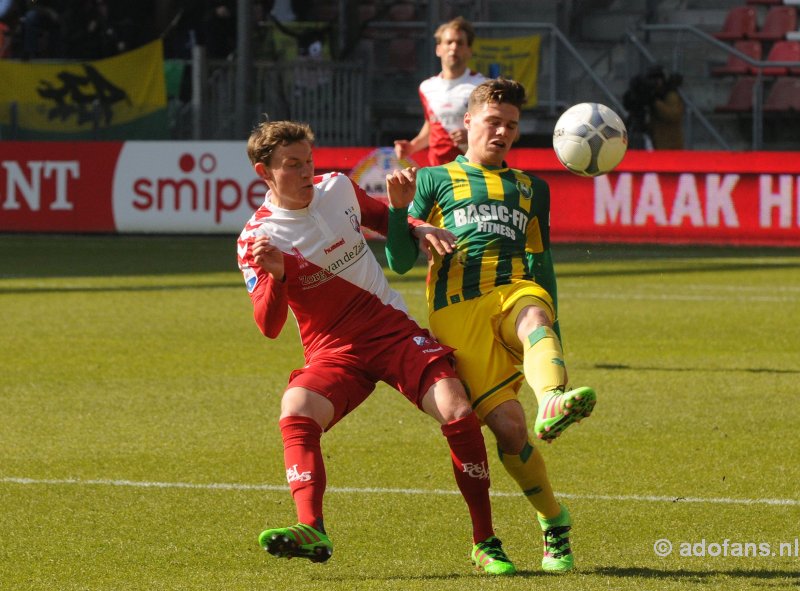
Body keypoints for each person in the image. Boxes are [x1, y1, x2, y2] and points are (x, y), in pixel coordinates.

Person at [236, 120, 516, 575]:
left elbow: (384, 218)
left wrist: (420, 227)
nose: (307, 172)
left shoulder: (338, 188)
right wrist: (275, 275)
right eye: (292, 166)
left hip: (391, 330)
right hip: (334, 350)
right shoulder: (257, 239)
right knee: (296, 406)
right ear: (263, 172)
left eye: (309, 161)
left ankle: (485, 541)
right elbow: (268, 326)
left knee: (457, 408)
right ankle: (311, 529)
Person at [385, 78, 597, 573]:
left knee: (533, 312)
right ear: (467, 123)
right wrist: (400, 212)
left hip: (513, 290)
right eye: (493, 122)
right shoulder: (434, 180)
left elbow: (541, 266)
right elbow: (398, 260)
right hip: (457, 313)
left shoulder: (530, 188)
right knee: (509, 430)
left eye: (511, 126)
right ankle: (555, 522)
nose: (502, 132)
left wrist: (554, 329)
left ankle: (552, 401)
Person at [393, 16, 485, 166]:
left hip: (471, 170)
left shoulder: (482, 86)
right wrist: (412, 146)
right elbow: (432, 126)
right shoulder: (427, 87)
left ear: (469, 51)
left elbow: (502, 128)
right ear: (438, 49)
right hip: (437, 172)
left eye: (460, 43)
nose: (454, 47)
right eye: (449, 42)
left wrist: (472, 134)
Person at [623, 65, 684, 150]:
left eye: (657, 79)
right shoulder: (653, 96)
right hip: (658, 145)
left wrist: (654, 102)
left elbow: (673, 115)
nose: (654, 83)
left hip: (670, 147)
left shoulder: (670, 96)